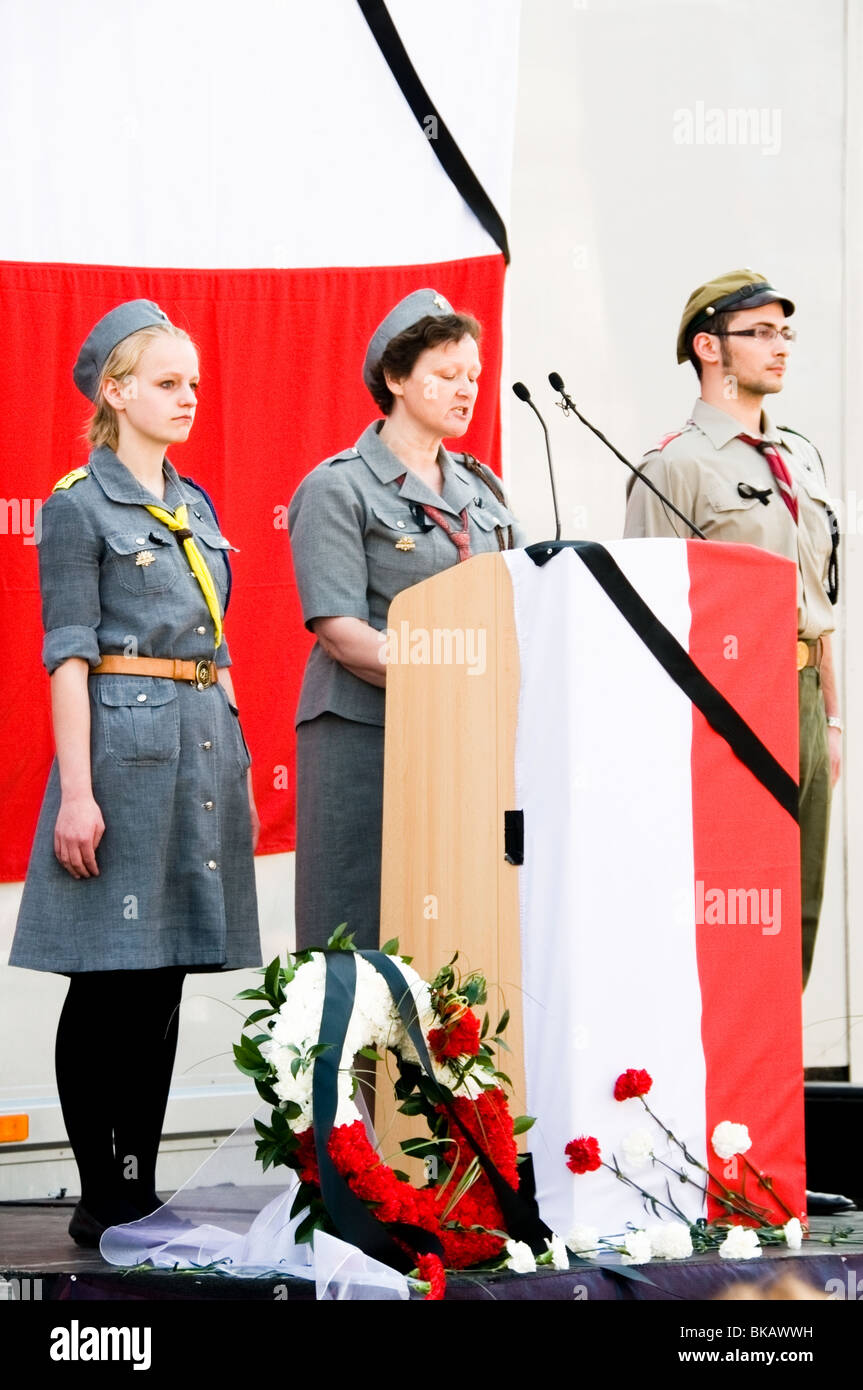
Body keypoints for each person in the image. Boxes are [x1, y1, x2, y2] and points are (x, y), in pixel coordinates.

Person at [10, 300, 261, 1245]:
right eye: (167, 381)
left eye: (193, 381)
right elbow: (69, 654)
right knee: (110, 979)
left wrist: (233, 739)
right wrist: (77, 792)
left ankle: (138, 1186)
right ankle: (98, 1193)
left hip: (201, 746)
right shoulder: (80, 504)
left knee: (163, 980)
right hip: (124, 755)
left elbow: (217, 642)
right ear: (116, 392)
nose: (188, 396)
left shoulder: (192, 505)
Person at [624, 270, 851, 1217]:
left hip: (799, 693)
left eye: (784, 331)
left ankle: (767, 1152)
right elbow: (642, 610)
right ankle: (704, 1149)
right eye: (757, 332)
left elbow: (820, 607)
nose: (778, 346)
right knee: (728, 926)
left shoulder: (799, 456)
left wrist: (833, 719)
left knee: (794, 921)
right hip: (725, 705)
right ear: (706, 348)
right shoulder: (673, 463)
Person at [288, 288, 525, 954]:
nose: (465, 390)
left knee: (458, 917)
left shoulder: (483, 489)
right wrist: (451, 672)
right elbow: (339, 631)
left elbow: (519, 605)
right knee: (355, 921)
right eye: (446, 375)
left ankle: (447, 1060)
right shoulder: (338, 486)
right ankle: (353, 1063)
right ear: (395, 379)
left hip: (466, 735)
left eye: (473, 376)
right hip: (367, 733)